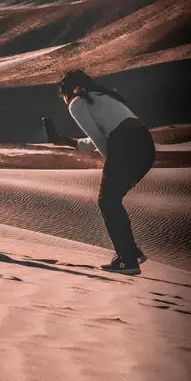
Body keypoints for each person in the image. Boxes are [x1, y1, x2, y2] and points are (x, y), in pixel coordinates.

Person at [44, 69, 154, 275]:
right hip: (146, 148)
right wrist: (66, 141)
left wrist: (110, 161)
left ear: (66, 91)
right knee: (112, 201)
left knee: (108, 202)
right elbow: (104, 134)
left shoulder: (77, 103)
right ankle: (131, 252)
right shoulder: (102, 97)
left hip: (125, 147)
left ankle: (127, 259)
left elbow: (99, 139)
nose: (64, 100)